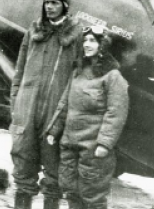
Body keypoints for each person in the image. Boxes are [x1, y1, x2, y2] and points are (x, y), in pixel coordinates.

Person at [10, 0, 83, 209]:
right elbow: (20, 68)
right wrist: (16, 101)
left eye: (55, 3)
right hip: (27, 106)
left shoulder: (77, 34)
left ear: (65, 6)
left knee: (54, 168)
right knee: (22, 161)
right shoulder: (33, 30)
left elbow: (78, 75)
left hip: (55, 111)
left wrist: (65, 113)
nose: (49, 7)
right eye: (47, 3)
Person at [45, 25, 129, 209]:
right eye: (85, 40)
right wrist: (54, 130)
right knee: (70, 190)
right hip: (69, 144)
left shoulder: (113, 77)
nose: (87, 44)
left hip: (93, 149)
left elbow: (116, 112)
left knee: (92, 195)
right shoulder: (77, 72)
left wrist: (104, 143)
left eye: (92, 41)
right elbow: (64, 104)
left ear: (103, 46)